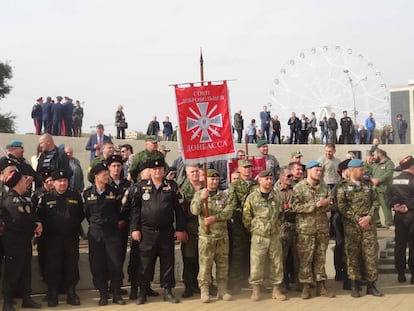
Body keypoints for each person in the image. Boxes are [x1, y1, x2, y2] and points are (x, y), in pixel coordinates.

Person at [130, 158, 187, 305]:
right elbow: (135, 210)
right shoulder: (141, 187)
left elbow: (179, 210)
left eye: (160, 169)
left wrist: (180, 229)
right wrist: (135, 229)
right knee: (145, 263)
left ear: (163, 170)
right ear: (149, 171)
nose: (157, 171)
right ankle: (143, 291)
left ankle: (167, 291)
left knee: (168, 262)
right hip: (146, 232)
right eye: (154, 169)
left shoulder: (172, 186)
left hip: (166, 231)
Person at [36, 170, 84, 307]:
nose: (62, 183)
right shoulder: (45, 198)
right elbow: (40, 216)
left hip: (71, 238)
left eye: (65, 181)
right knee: (53, 267)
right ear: (54, 183)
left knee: (72, 266)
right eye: (59, 181)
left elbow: (80, 215)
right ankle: (52, 293)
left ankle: (71, 293)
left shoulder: (75, 196)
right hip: (52, 240)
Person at [336, 158, 383, 297]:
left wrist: (369, 217)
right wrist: (358, 219)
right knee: (352, 256)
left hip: (368, 226)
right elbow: (342, 207)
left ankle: (371, 285)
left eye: (363, 169)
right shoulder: (342, 186)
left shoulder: (368, 184)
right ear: (351, 170)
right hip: (352, 228)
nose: (363, 172)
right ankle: (354, 285)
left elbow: (375, 201)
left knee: (371, 255)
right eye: (361, 170)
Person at [83, 162, 126, 306]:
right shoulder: (88, 193)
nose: (107, 176)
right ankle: (103, 293)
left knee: (115, 263)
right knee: (97, 264)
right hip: (96, 234)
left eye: (107, 174)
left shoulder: (114, 192)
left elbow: (120, 211)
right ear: (96, 176)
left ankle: (117, 293)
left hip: (112, 233)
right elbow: (87, 214)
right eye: (104, 174)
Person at [291, 160, 335, 299]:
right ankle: (305, 286)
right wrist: (315, 205)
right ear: (308, 171)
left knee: (320, 258)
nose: (319, 172)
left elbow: (331, 204)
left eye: (320, 170)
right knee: (306, 259)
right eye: (316, 170)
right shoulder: (299, 188)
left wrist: (325, 205)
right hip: (305, 230)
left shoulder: (324, 187)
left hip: (321, 229)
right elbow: (295, 207)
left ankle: (321, 286)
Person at [1, 170, 43, 311]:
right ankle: (7, 302)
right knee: (13, 271)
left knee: (26, 270)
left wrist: (38, 224)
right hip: (14, 241)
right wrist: (34, 227)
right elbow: (19, 220)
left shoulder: (23, 198)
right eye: (24, 179)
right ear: (18, 182)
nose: (27, 182)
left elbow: (31, 215)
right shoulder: (10, 200)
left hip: (25, 240)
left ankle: (27, 298)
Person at [243, 170, 286, 302]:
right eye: (265, 179)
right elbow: (246, 217)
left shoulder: (277, 196)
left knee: (277, 264)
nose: (269, 181)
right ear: (259, 180)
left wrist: (277, 228)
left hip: (274, 235)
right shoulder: (252, 197)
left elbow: (281, 214)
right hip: (259, 236)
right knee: (256, 264)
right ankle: (256, 290)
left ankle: (276, 290)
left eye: (270, 178)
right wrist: (255, 228)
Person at [191, 169, 233, 303]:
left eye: (216, 179)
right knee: (205, 266)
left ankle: (222, 289)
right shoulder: (200, 194)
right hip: (206, 237)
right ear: (206, 180)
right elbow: (194, 211)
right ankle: (204, 290)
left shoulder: (224, 196)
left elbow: (228, 213)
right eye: (211, 179)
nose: (214, 182)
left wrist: (215, 218)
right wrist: (202, 199)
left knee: (222, 264)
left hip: (222, 236)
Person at [226, 159, 258, 294]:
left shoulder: (256, 184)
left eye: (249, 167)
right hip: (239, 224)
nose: (247, 170)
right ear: (239, 169)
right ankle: (235, 282)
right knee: (237, 255)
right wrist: (245, 214)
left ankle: (250, 280)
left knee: (252, 255)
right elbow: (233, 204)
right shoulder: (235, 185)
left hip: (254, 224)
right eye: (245, 167)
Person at [385, 155, 414, 283]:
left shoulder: (393, 181)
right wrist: (407, 206)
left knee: (400, 245)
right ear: (412, 167)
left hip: (399, 217)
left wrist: (395, 206)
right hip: (412, 215)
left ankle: (400, 274)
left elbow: (387, 200)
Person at [179, 164, 202, 298]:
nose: (195, 174)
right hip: (190, 229)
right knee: (189, 258)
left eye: (197, 171)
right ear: (187, 174)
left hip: (204, 229)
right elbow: (180, 212)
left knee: (203, 259)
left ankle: (201, 284)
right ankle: (188, 285)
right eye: (192, 172)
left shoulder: (205, 188)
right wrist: (181, 230)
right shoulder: (183, 190)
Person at [274, 166, 298, 292]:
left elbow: (298, 206)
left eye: (292, 176)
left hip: (295, 226)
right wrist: (288, 207)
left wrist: (288, 207)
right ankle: (281, 283)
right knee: (281, 258)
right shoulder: (275, 191)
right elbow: (277, 208)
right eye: (288, 176)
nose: (291, 179)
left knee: (297, 257)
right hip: (282, 227)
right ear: (281, 177)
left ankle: (299, 282)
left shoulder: (296, 189)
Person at [371, 148, 395, 228]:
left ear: (379, 154)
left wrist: (379, 180)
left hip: (384, 189)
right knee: (374, 207)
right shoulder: (374, 164)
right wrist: (372, 179)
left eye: (374, 154)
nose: (373, 156)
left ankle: (389, 223)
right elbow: (370, 173)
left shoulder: (389, 163)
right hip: (375, 189)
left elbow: (389, 174)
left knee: (386, 207)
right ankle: (377, 223)